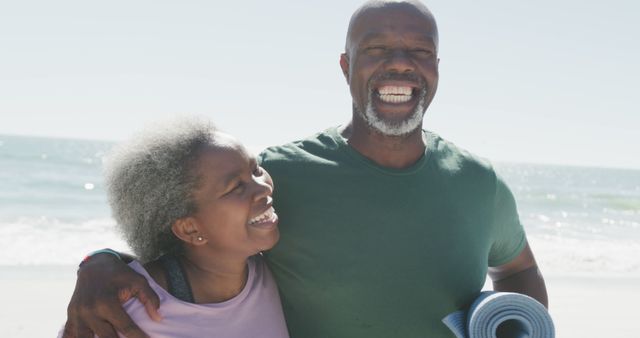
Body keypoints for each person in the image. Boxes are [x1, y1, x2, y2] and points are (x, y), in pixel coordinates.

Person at [62, 1, 548, 337]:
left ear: (437, 66)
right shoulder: (276, 177)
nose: (400, 64)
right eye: (377, 49)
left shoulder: (480, 184)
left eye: (419, 51)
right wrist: (99, 262)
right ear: (345, 65)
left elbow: (518, 268)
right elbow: (190, 241)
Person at [59, 119, 289, 337]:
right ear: (190, 229)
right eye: (236, 186)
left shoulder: (277, 267)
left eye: (256, 170)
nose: (263, 188)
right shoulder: (127, 315)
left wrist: (99, 258)